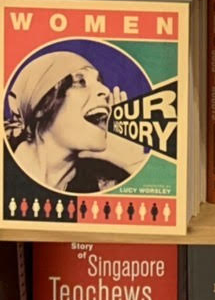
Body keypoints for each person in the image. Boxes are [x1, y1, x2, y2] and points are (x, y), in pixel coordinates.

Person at [5, 50, 145, 194]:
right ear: (41, 107)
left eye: (99, 82)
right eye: (80, 82)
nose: (105, 90)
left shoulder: (101, 186)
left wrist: (134, 163)